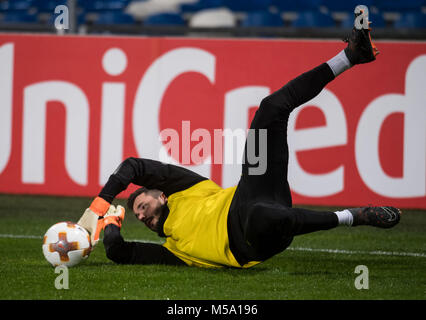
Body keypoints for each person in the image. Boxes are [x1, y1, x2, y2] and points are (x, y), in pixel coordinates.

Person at [77, 11, 400, 268]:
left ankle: (351, 56)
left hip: (250, 192)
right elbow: (119, 253)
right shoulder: (175, 251)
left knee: (271, 108)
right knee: (262, 215)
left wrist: (102, 201)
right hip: (249, 241)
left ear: (162, 195)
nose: (144, 215)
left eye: (144, 205)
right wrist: (111, 223)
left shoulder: (187, 190)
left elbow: (133, 166)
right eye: (139, 215)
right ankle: (353, 217)